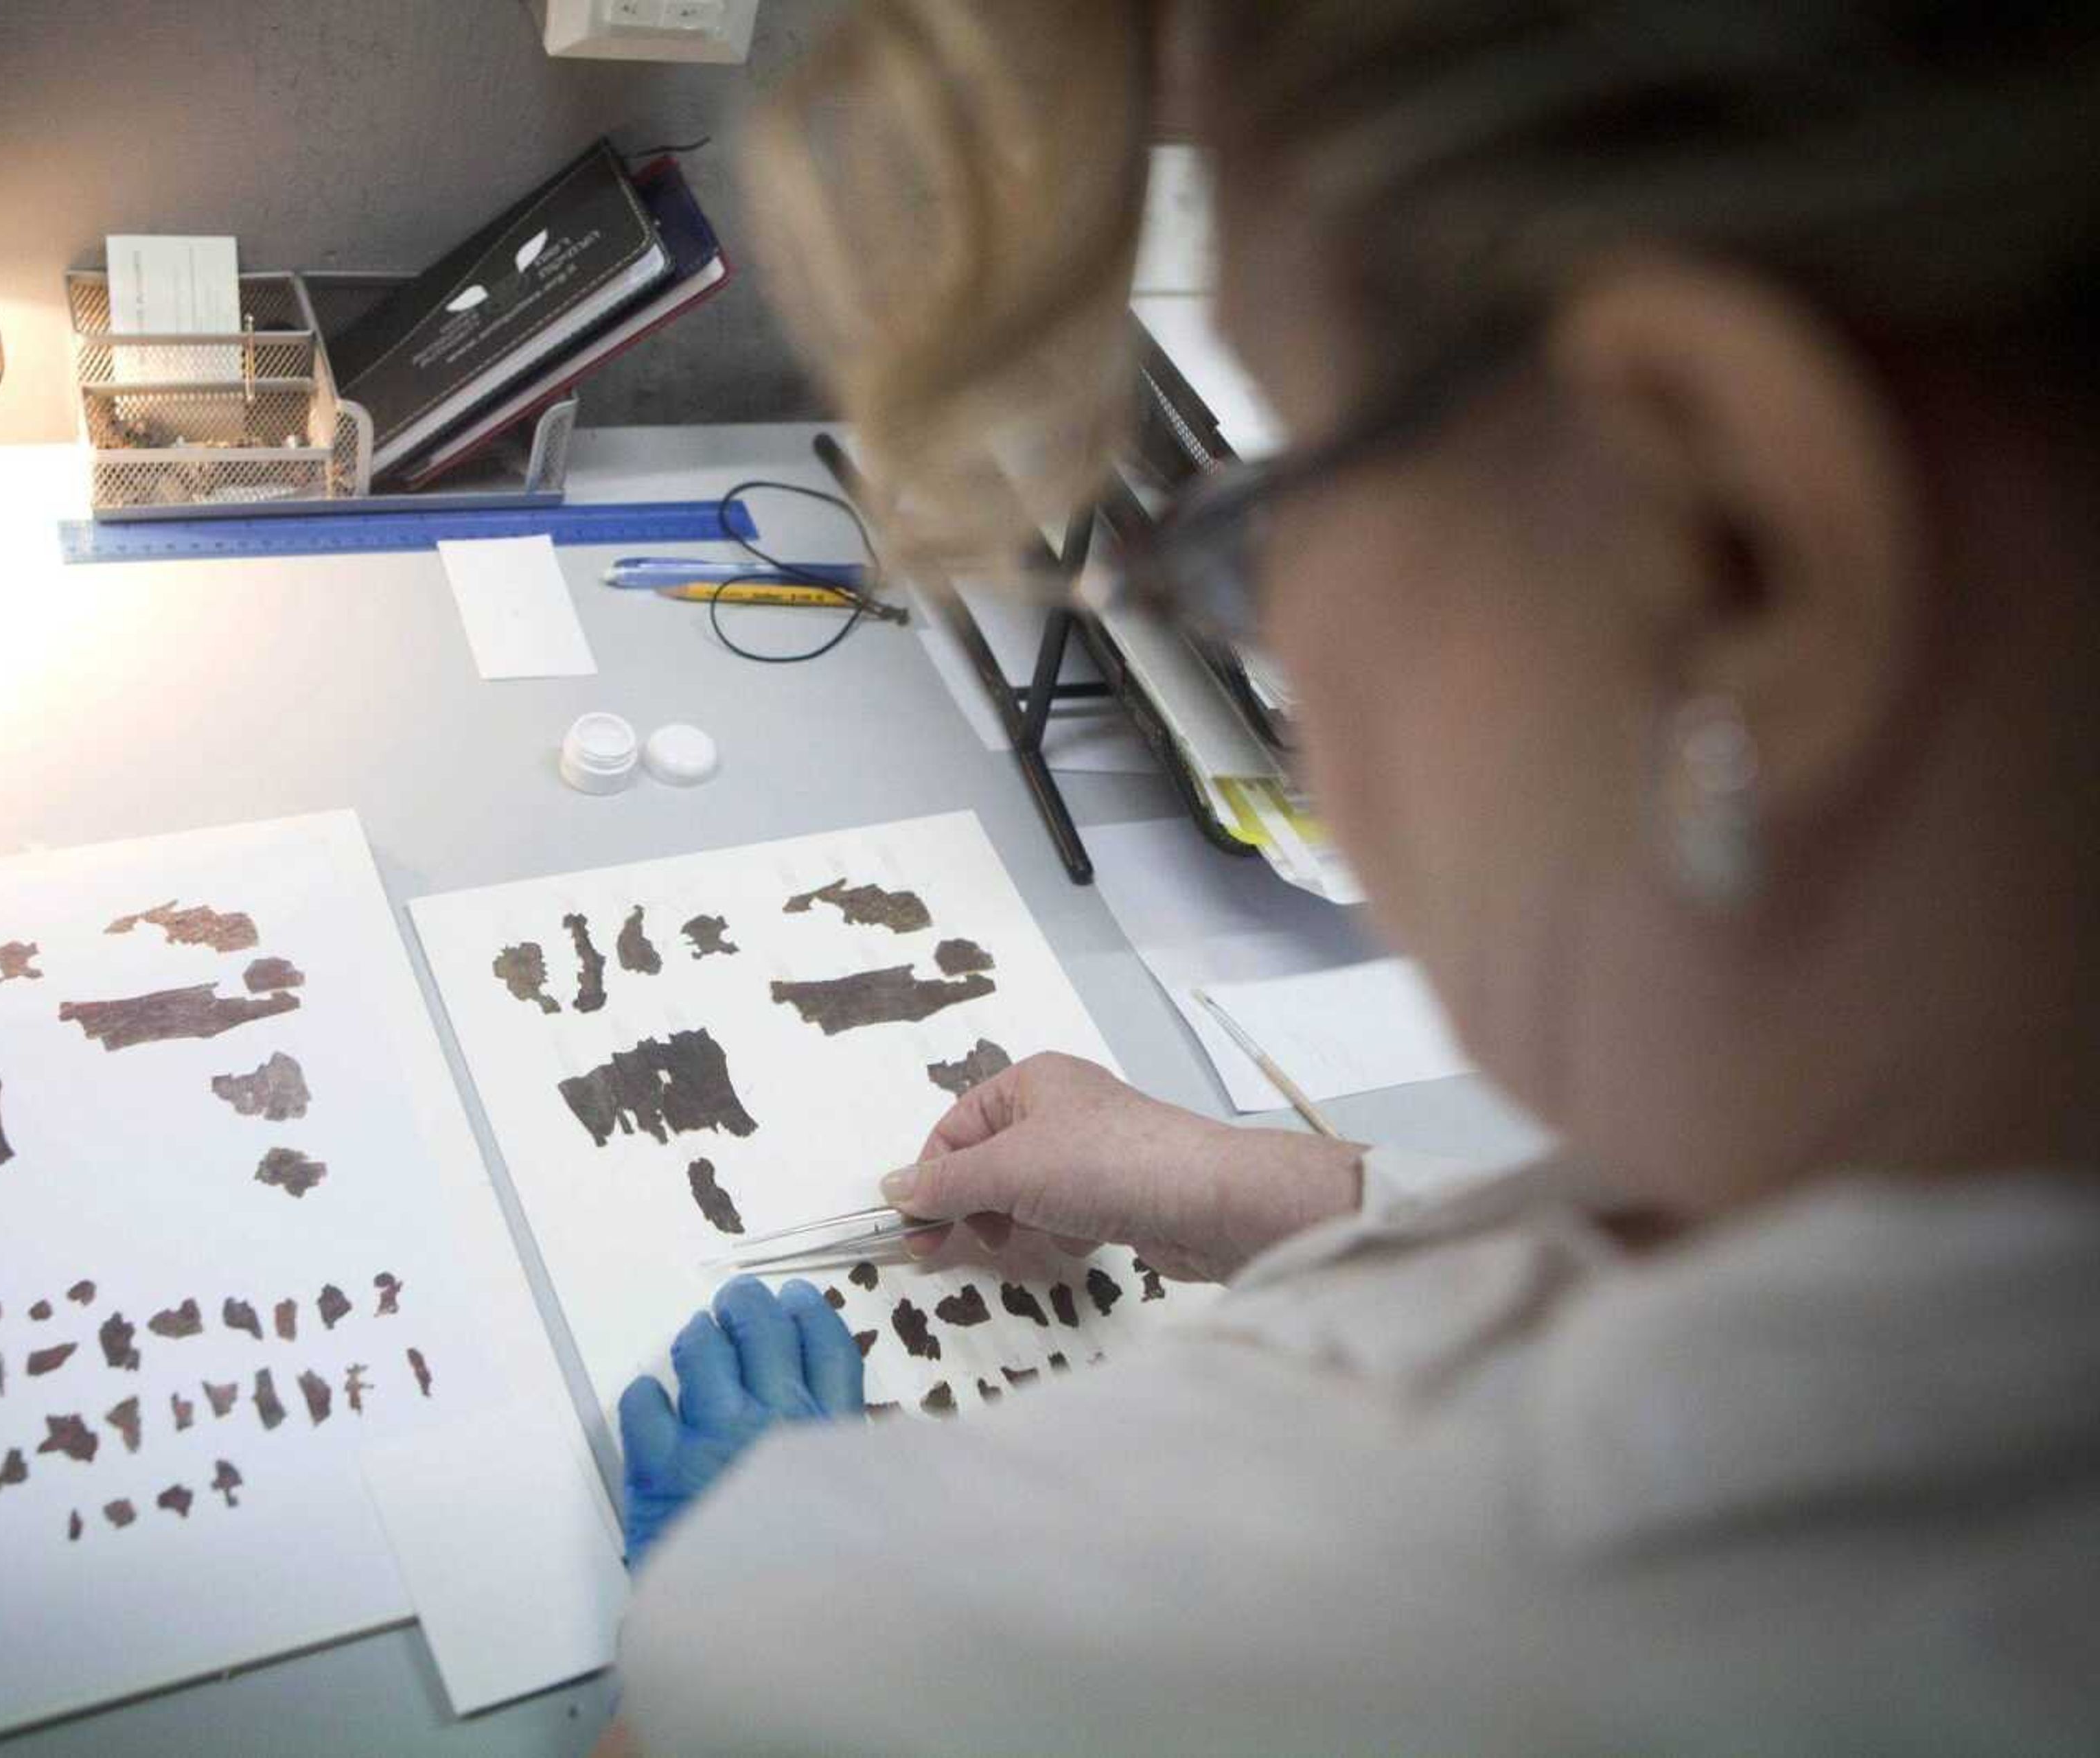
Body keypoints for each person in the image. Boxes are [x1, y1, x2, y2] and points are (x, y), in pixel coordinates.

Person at [603, 1, 2100, 1751]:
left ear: (1729, 553)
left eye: (1268, 488)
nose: (1263, 605)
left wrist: (760, 1634)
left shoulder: (1152, 1635)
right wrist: (1254, 1186)